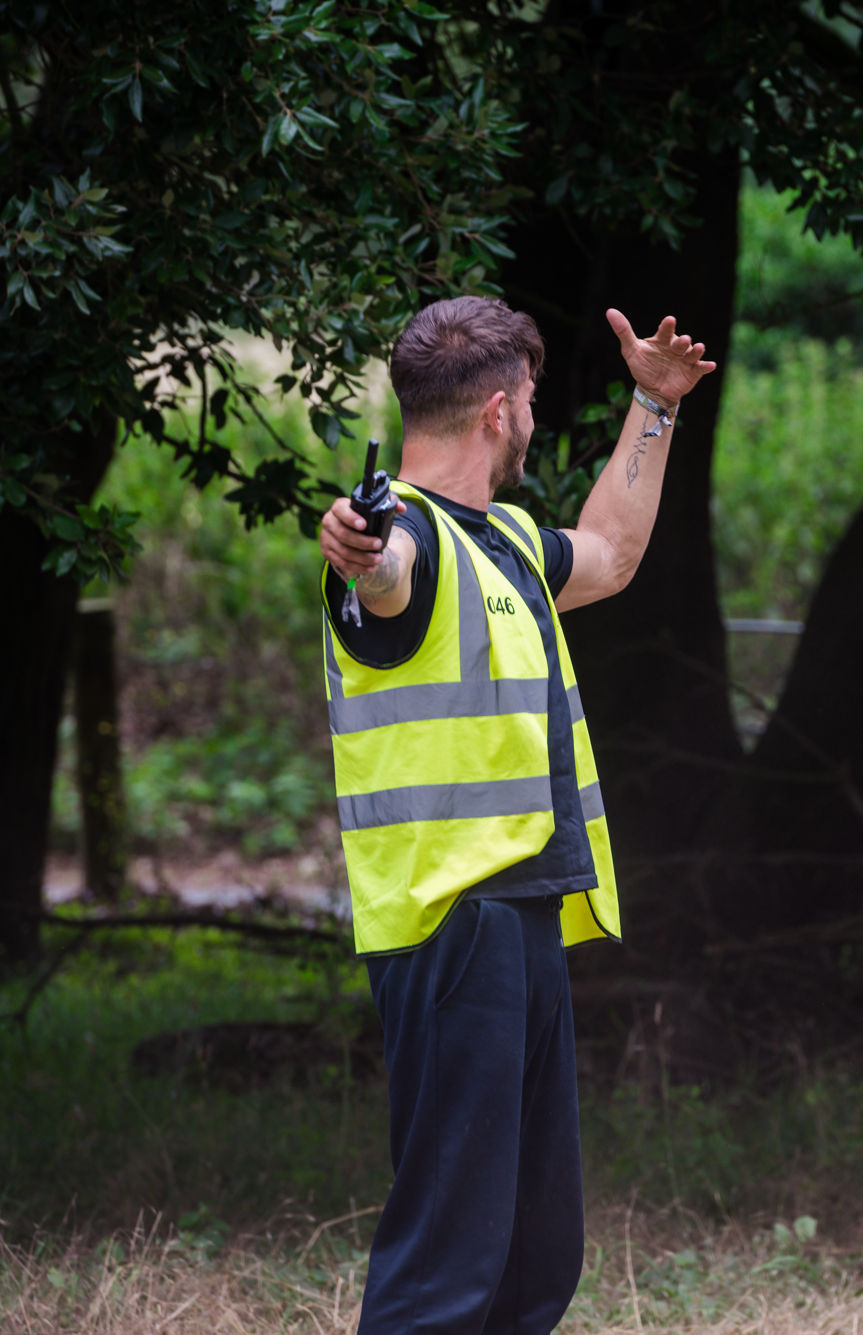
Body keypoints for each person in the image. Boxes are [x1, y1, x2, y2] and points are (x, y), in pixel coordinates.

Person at [317, 295, 715, 1335]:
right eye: (532, 397)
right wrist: (359, 547)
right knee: (448, 1261)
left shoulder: (499, 544)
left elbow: (612, 553)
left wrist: (654, 406)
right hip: (454, 927)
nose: (533, 415)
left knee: (535, 1256)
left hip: (522, 919)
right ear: (499, 410)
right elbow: (383, 577)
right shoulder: (405, 536)